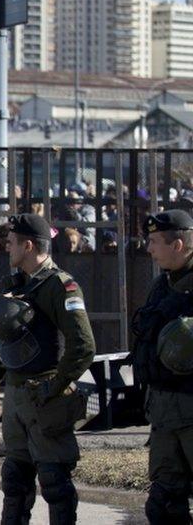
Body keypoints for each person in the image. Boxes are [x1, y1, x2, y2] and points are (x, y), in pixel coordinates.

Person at [0, 214, 95, 524]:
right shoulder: (16, 285)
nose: (6, 247)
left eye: (11, 243)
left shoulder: (59, 286)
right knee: (14, 479)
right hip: (16, 398)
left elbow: (83, 346)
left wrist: (56, 385)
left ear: (28, 245)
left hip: (45, 399)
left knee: (54, 481)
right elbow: (4, 344)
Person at [130, 210, 193, 524]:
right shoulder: (162, 285)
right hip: (164, 412)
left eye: (154, 241)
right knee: (164, 504)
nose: (149, 249)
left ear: (178, 244)